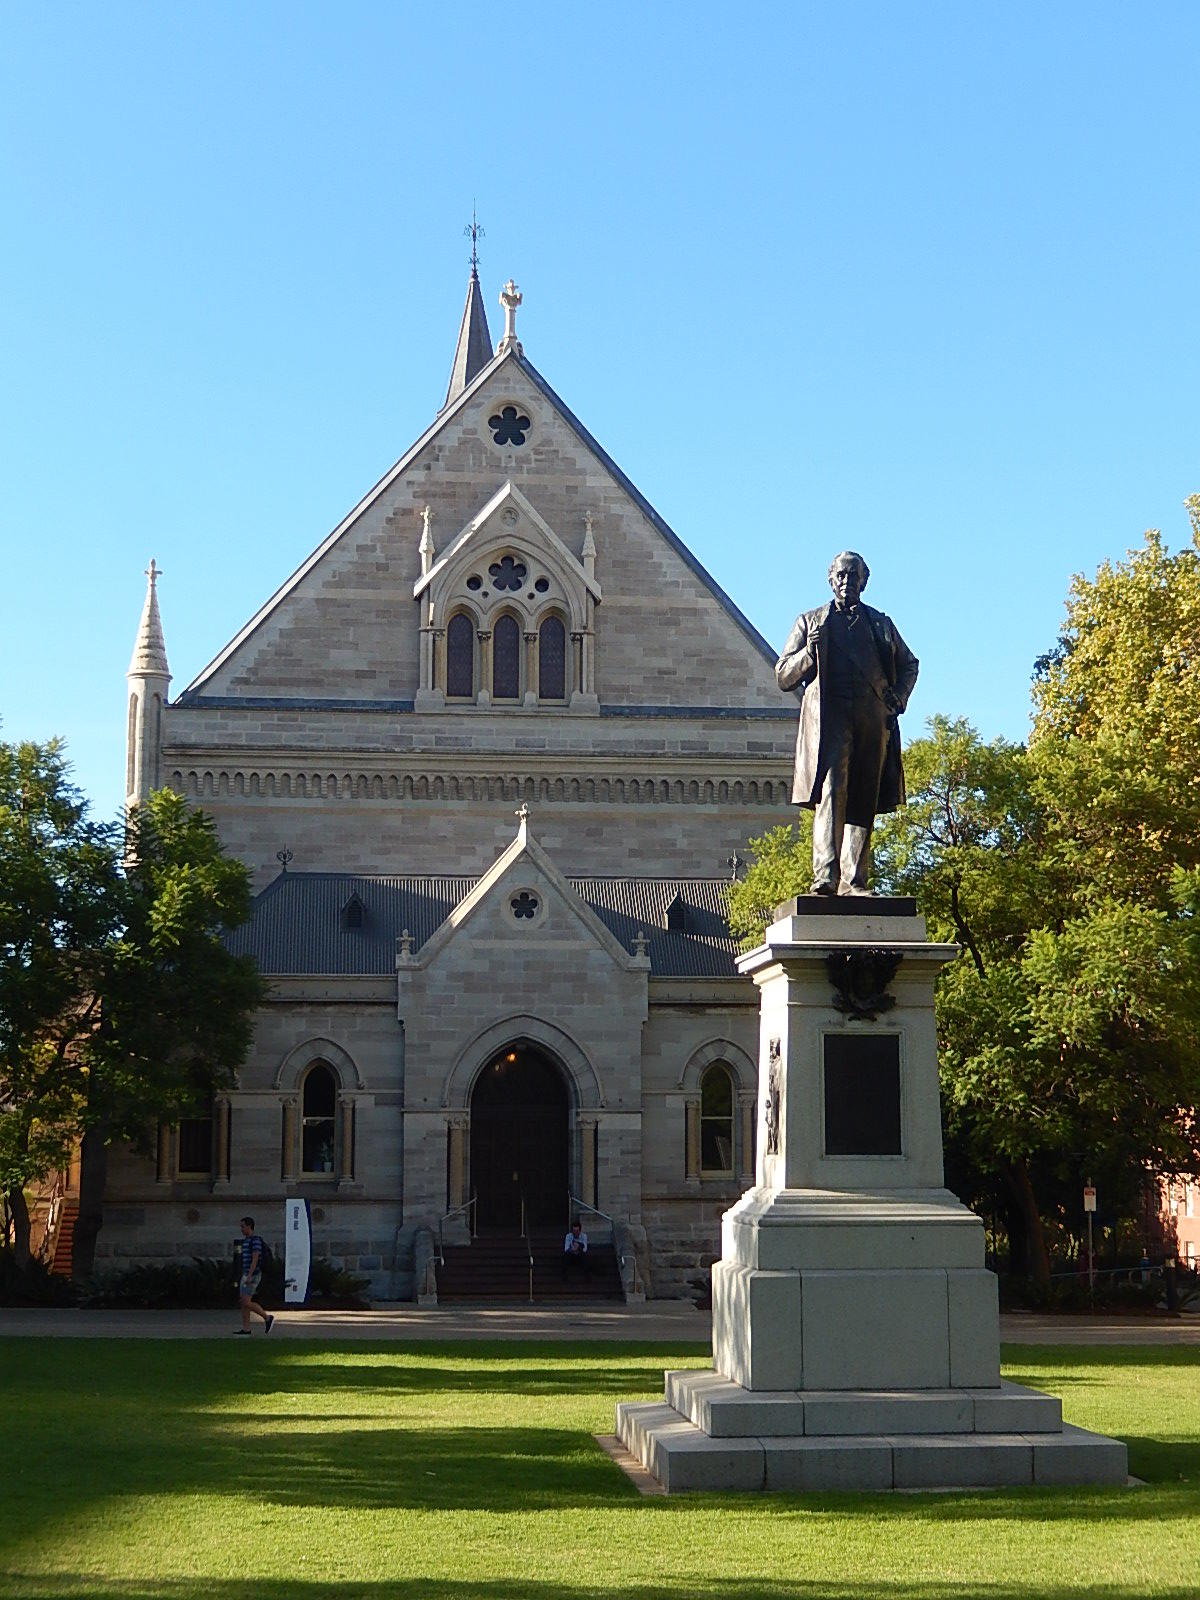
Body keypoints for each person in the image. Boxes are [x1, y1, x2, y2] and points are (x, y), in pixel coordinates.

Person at [776, 551, 918, 895]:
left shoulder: (880, 624)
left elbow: (910, 663)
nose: (846, 582)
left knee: (863, 797)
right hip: (829, 723)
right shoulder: (810, 622)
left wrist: (899, 697)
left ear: (864, 582)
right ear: (830, 579)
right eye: (841, 575)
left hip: (871, 720)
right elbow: (783, 676)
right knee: (832, 791)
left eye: (853, 577)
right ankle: (825, 876)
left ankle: (854, 881)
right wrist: (808, 654)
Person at [236, 1215, 275, 1335]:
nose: (241, 1229)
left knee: (246, 1302)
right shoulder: (246, 1241)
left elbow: (255, 1258)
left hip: (252, 1275)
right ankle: (246, 1328)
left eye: (243, 1226)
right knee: (243, 1302)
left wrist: (249, 1275)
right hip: (246, 1273)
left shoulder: (255, 1240)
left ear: (249, 1226)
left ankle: (267, 1317)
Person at [561, 1219, 590, 1283]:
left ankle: (587, 1277)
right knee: (565, 1256)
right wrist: (572, 1250)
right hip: (571, 1256)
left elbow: (585, 1249)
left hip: (580, 1256)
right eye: (574, 1230)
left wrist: (578, 1247)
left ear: (580, 1231)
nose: (575, 1233)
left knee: (586, 1256)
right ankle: (564, 1276)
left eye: (577, 1231)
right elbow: (566, 1248)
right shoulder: (568, 1236)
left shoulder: (584, 1236)